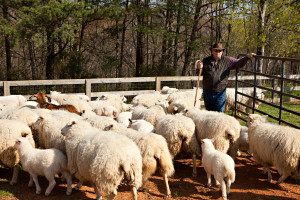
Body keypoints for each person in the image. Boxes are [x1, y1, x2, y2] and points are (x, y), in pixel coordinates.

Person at [196, 43, 255, 112]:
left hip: (220, 92)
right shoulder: (205, 61)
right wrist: (199, 68)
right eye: (216, 50)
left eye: (220, 50)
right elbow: (199, 73)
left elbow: (239, 63)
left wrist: (247, 57)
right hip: (207, 92)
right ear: (212, 51)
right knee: (209, 113)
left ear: (222, 51)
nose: (218, 52)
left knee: (219, 113)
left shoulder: (227, 60)